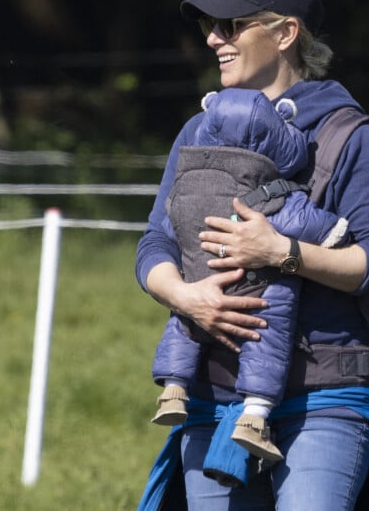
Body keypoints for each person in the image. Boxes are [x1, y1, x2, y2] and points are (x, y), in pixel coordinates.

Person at [136, 0, 369, 511]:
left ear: (285, 34)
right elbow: (156, 242)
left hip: (325, 400)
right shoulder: (197, 130)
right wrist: (183, 296)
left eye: (230, 26)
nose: (212, 39)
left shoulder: (355, 136)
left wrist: (283, 252)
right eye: (210, 27)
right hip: (211, 399)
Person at [150, 86, 350, 463]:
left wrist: (185, 295)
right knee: (267, 329)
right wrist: (335, 233)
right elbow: (312, 224)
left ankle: (173, 388)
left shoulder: (187, 183)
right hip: (252, 292)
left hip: (197, 281)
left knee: (183, 324)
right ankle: (255, 416)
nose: (215, 37)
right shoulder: (269, 191)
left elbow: (163, 229)